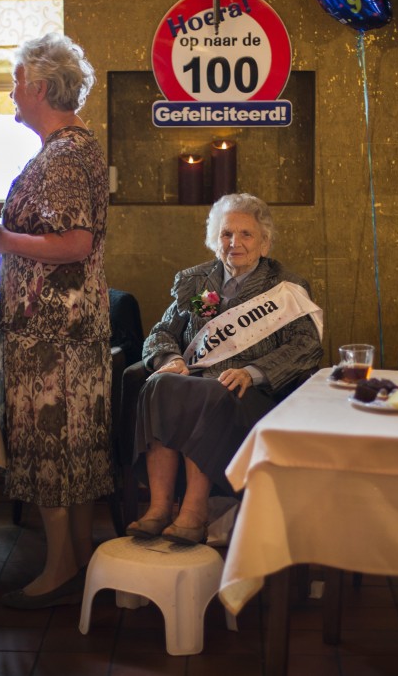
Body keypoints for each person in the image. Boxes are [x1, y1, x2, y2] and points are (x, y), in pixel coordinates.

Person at [0, 33, 111, 609]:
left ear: (37, 87)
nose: (11, 92)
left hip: (51, 332)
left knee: (51, 445)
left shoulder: (61, 154)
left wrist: (5, 240)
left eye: (14, 82)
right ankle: (80, 553)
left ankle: (59, 566)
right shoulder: (75, 147)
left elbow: (74, 242)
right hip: (70, 328)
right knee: (76, 446)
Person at [127, 193, 323, 545]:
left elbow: (306, 346)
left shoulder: (287, 288)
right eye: (226, 234)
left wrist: (253, 371)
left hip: (251, 396)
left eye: (246, 234)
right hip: (195, 387)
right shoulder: (197, 282)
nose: (235, 243)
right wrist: (170, 360)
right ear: (214, 240)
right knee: (158, 385)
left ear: (264, 243)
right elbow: (161, 332)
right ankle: (159, 508)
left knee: (211, 394)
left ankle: (193, 511)